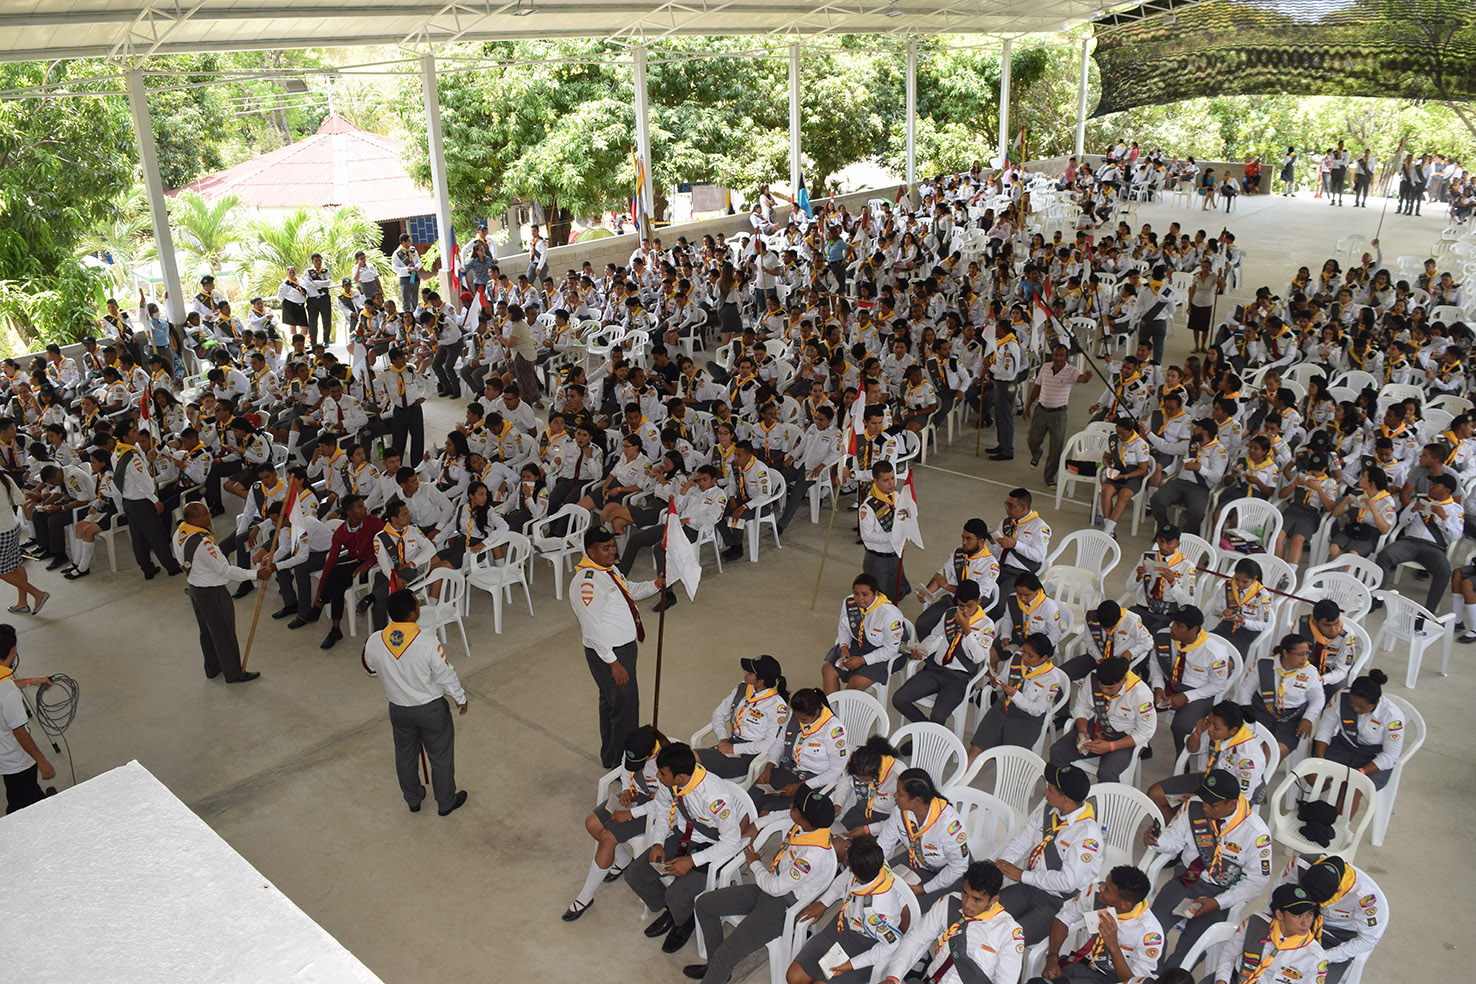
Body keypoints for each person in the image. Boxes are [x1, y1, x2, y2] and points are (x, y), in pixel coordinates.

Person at [686, 788, 839, 984]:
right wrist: (757, 824)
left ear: (805, 821)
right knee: (705, 904)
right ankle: (716, 968)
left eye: (796, 807)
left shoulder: (812, 857)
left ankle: (719, 966)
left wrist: (755, 864)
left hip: (782, 904)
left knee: (727, 954)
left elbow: (776, 888)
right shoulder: (810, 827)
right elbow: (778, 815)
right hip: (769, 885)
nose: (791, 806)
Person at [624, 742, 746, 954]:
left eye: (662, 774)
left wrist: (692, 861)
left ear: (680, 777)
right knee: (635, 875)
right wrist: (658, 842)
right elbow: (663, 809)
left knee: (676, 894)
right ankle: (674, 911)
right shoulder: (670, 780)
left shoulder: (714, 797)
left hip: (712, 847)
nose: (658, 778)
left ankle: (684, 921)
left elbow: (732, 842)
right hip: (683, 836)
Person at [1144, 769, 1272, 964]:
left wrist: (1219, 903)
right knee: (1152, 932)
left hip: (1219, 892)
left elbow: (1256, 882)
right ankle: (1155, 973)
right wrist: (1157, 841)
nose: (1205, 808)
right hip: (1186, 879)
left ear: (1232, 803)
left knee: (1190, 950)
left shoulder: (1256, 833)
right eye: (1203, 800)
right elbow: (1175, 841)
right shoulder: (1193, 807)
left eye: (1212, 804)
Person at [360, 587, 468, 816]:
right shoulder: (427, 642)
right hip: (430, 709)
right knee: (440, 756)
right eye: (416, 604)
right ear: (411, 615)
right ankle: (446, 802)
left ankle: (413, 799)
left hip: (399, 709)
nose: (419, 607)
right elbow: (445, 674)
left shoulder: (374, 640)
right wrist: (460, 698)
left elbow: (369, 669)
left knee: (405, 755)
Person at [570, 527, 664, 769]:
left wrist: (655, 584)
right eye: (606, 548)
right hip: (609, 654)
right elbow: (592, 630)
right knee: (626, 711)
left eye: (613, 545)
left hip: (622, 649)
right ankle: (627, 765)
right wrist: (614, 664)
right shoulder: (587, 584)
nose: (613, 551)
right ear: (591, 551)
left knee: (612, 704)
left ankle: (611, 757)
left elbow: (628, 591)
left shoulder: (608, 570)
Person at [996, 763, 1103, 944]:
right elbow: (1023, 840)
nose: (1045, 793)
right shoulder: (1049, 810)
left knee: (1009, 941)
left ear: (1065, 799)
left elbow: (1067, 882)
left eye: (1051, 790)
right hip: (1030, 887)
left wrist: (1022, 875)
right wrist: (1003, 864)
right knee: (984, 917)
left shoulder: (1087, 835)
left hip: (1058, 902)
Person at [564, 725, 661, 921]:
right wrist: (626, 791)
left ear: (651, 753)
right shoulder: (634, 746)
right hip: (635, 796)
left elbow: (667, 802)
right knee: (592, 823)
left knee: (608, 837)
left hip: (655, 809)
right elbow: (627, 770)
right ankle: (624, 860)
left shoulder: (666, 761)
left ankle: (585, 896)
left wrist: (631, 814)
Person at [787, 833, 910, 984]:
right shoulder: (871, 863)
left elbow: (892, 944)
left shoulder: (875, 913)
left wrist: (851, 965)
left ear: (854, 870)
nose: (845, 851)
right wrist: (823, 903)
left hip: (863, 946)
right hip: (840, 927)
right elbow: (841, 883)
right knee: (794, 977)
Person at [878, 860, 1024, 984]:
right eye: (965, 893)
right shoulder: (950, 903)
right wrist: (893, 977)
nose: (967, 904)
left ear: (994, 900)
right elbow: (915, 939)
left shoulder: (1008, 932)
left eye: (977, 900)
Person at [173, 501, 265, 684]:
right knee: (224, 633)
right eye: (206, 514)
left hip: (195, 588)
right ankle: (233, 673)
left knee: (207, 631)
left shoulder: (180, 533)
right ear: (196, 519)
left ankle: (212, 668)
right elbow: (225, 570)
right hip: (211, 592)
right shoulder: (203, 543)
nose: (209, 516)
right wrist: (255, 574)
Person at [1031, 865, 1163, 984]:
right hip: (1081, 963)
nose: (1101, 888)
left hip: (1111, 979)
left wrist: (1113, 946)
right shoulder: (1095, 894)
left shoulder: (1149, 933)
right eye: (1105, 883)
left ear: (1124, 904)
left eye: (1107, 889)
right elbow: (1064, 917)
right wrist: (1052, 956)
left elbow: (1133, 982)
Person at [893, 579, 994, 726]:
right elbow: (935, 637)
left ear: (978, 601)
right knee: (899, 699)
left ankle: (931, 740)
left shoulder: (987, 625)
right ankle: (928, 733)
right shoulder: (950, 614)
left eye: (969, 606)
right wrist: (921, 651)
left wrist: (967, 630)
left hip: (959, 677)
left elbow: (978, 657)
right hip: (936, 669)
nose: (964, 610)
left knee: (938, 715)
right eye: (961, 605)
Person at [867, 768, 971, 909]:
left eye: (900, 793)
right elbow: (884, 844)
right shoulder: (900, 811)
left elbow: (958, 867)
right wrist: (873, 869)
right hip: (917, 860)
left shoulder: (949, 825)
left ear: (917, 800)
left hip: (950, 872)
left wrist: (924, 889)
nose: (895, 795)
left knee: (904, 909)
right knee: (876, 889)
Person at [1276, 854, 1388, 984]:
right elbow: (1277, 899)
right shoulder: (1301, 864)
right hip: (1297, 921)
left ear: (1339, 891)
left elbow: (1368, 940)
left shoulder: (1365, 898)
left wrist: (1326, 956)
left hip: (1337, 937)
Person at [1147, 700, 1267, 818]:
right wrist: (1197, 733)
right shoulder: (1214, 731)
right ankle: (1174, 832)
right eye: (1209, 722)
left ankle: (1187, 831)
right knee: (1155, 794)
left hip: (1229, 798)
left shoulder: (1248, 759)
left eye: (1216, 727)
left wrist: (1199, 797)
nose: (1210, 728)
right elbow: (1192, 749)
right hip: (1210, 779)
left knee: (1197, 817)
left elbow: (1241, 799)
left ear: (1233, 731)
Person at [1050, 655, 1156, 781]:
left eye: (1110, 688)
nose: (1105, 691)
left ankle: (1107, 800)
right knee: (1058, 752)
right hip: (1098, 726)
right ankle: (1062, 795)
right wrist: (1082, 731)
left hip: (1125, 736)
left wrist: (1111, 746)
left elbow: (1144, 733)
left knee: (1107, 773)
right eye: (1102, 686)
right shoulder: (1092, 679)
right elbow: (1081, 708)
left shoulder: (1140, 694)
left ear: (1124, 680)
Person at [967, 632, 1067, 763]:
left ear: (1044, 658)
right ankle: (958, 781)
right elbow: (1002, 681)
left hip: (1027, 719)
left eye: (1030, 656)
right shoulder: (1016, 659)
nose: (1024, 657)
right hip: (1003, 708)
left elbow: (1037, 710)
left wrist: (1016, 695)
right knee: (976, 748)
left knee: (1010, 760)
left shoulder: (1052, 679)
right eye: (1024, 651)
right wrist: (994, 682)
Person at [1145, 606, 1231, 754]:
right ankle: (1143, 747)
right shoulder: (1163, 637)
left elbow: (1217, 686)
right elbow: (1155, 664)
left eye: (1180, 626)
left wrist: (1187, 696)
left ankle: (1181, 762)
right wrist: (1158, 686)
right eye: (1173, 623)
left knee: (1181, 726)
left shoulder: (1214, 652)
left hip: (1198, 692)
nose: (1173, 628)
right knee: (1138, 704)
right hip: (1168, 683)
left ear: (1194, 629)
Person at [1374, 470, 1462, 613]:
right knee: (1385, 555)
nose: (1431, 486)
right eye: (1431, 483)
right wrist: (1413, 510)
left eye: (1435, 485)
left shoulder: (1455, 510)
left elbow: (1455, 536)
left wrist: (1445, 519)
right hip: (1410, 542)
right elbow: (1402, 521)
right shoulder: (1419, 500)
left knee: (1444, 572)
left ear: (1447, 490)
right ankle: (1377, 598)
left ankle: (1428, 612)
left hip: (1433, 548)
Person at [304, 494, 383, 649]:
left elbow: (383, 548)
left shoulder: (374, 522)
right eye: (360, 506)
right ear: (350, 513)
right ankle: (335, 629)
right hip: (355, 566)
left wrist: (367, 564)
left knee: (335, 573)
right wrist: (320, 590)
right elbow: (331, 560)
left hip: (375, 565)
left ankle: (318, 608)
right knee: (337, 586)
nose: (365, 508)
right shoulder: (341, 532)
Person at [751, 687, 848, 814]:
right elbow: (780, 742)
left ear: (817, 712)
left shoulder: (834, 731)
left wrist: (802, 786)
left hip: (814, 780)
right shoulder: (797, 714)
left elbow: (836, 771)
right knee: (751, 801)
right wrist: (769, 767)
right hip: (788, 769)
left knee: (767, 812)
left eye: (803, 720)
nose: (798, 721)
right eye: (797, 717)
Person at [697, 654, 790, 780]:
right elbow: (718, 713)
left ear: (760, 681)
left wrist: (734, 748)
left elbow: (769, 744)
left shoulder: (777, 706)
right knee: (686, 761)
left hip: (749, 755)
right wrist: (724, 739)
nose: (745, 673)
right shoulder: (743, 688)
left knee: (689, 762)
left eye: (750, 673)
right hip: (731, 742)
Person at [1212, 884, 1328, 984]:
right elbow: (1230, 953)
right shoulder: (1256, 924)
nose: (1306, 923)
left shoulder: (1314, 956)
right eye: (1297, 916)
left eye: (1309, 914)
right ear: (1280, 915)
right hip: (1235, 978)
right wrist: (1222, 980)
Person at [1311, 669, 1402, 794]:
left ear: (1375, 703)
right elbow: (1325, 727)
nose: (1355, 708)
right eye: (1352, 703)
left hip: (1373, 756)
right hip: (1344, 746)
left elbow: (1390, 756)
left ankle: (1337, 812)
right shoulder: (1341, 697)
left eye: (1361, 707)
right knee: (1313, 775)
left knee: (1351, 789)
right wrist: (1320, 758)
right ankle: (1320, 805)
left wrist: (1361, 772)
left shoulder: (1392, 717)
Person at [1234, 633, 1324, 758]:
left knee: (1274, 753)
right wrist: (1246, 708)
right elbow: (1246, 689)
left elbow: (1318, 699)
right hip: (1261, 711)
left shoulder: (1310, 672)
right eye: (1300, 654)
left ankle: (1260, 776)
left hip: (1290, 719)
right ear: (1286, 653)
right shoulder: (1263, 665)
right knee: (1245, 749)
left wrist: (1308, 718)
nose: (1305, 658)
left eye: (1307, 653)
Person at [115, 417, 182, 579]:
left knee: (138, 538)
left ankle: (147, 568)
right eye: (133, 431)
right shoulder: (133, 455)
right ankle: (171, 566)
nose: (137, 433)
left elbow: (128, 476)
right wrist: (154, 500)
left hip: (129, 502)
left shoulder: (119, 452)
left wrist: (146, 461)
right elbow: (143, 482)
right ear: (126, 438)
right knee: (156, 535)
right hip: (141, 502)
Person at [914, 518, 1000, 639]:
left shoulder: (991, 565)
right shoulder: (959, 552)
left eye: (968, 539)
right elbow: (943, 575)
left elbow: (977, 594)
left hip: (971, 606)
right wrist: (926, 592)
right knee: (922, 624)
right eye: (963, 538)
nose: (964, 542)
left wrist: (947, 586)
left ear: (981, 541)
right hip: (952, 599)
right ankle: (932, 657)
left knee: (948, 633)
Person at [821, 572, 905, 695]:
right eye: (856, 594)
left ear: (875, 593)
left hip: (880, 653)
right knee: (828, 670)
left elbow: (891, 649)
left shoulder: (889, 615)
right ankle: (832, 711)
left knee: (856, 683)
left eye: (865, 594)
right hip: (857, 644)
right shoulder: (849, 603)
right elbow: (844, 627)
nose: (859, 599)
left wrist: (863, 660)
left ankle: (845, 713)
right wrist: (844, 646)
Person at [0, 624, 54, 813]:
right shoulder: (9, 695)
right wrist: (42, 761)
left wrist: (31, 681)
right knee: (22, 803)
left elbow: (5, 685)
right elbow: (20, 732)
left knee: (19, 794)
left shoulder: (5, 686)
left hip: (3, 757)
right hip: (16, 761)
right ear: (13, 650)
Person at [1026, 344, 1093, 487]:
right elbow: (1037, 387)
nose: (1058, 358)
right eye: (1056, 355)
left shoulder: (1071, 371)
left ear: (1066, 357)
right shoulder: (1045, 367)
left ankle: (1049, 477)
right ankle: (1036, 454)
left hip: (1058, 414)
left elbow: (1080, 378)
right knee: (1032, 439)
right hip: (1041, 410)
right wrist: (1027, 406)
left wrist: (1086, 378)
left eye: (1061, 355)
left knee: (1056, 447)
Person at [1129, 525, 1197, 633]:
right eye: (1161, 542)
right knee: (1126, 628)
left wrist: (1173, 583)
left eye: (1169, 543)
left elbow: (1188, 602)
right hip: (1143, 606)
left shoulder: (1187, 566)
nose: (1163, 546)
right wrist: (1138, 577)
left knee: (1154, 635)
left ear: (1177, 544)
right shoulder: (1148, 556)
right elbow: (1129, 589)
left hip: (1166, 613)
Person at [859, 460, 911, 599]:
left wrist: (906, 536)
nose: (891, 483)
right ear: (875, 481)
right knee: (878, 598)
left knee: (896, 593)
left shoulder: (898, 497)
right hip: (877, 560)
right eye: (886, 480)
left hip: (895, 554)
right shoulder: (868, 506)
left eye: (893, 478)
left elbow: (905, 521)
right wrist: (893, 537)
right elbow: (867, 535)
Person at [992, 488, 1051, 610]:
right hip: (999, 568)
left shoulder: (1039, 527)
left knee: (1000, 604)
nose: (1007, 508)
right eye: (1006, 504)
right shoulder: (1006, 523)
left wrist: (1015, 544)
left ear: (1023, 508)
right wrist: (994, 544)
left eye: (1011, 506)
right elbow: (997, 553)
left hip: (1019, 573)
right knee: (980, 594)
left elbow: (1038, 556)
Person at [0, 470, 47, 615]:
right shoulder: (4, 477)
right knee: (16, 564)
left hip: (1, 531)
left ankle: (38, 594)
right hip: (13, 527)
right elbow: (20, 500)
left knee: (2, 571)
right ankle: (22, 603)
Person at [832, 735, 902, 830]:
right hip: (861, 809)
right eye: (857, 778)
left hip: (886, 819)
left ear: (879, 770)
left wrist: (868, 830)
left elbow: (900, 817)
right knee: (837, 833)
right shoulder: (856, 759)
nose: (860, 782)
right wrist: (837, 804)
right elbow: (844, 783)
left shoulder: (898, 775)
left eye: (865, 780)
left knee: (861, 844)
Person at [1206, 556, 1272, 656]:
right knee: (1204, 646)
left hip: (1246, 633)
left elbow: (1263, 625)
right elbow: (1216, 606)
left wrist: (1244, 622)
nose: (1240, 584)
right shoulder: (1228, 586)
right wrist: (1223, 611)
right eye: (1237, 579)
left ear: (1254, 578)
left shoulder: (1263, 596)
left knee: (1229, 658)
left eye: (1245, 582)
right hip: (1226, 626)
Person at [988, 319, 1024, 461]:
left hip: (1006, 384)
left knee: (1005, 418)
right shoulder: (1002, 343)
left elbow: (1008, 372)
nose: (995, 331)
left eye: (997, 329)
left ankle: (1008, 450)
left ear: (1003, 330)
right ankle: (1001, 444)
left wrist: (990, 366)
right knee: (999, 415)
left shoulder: (1010, 346)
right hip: (999, 382)